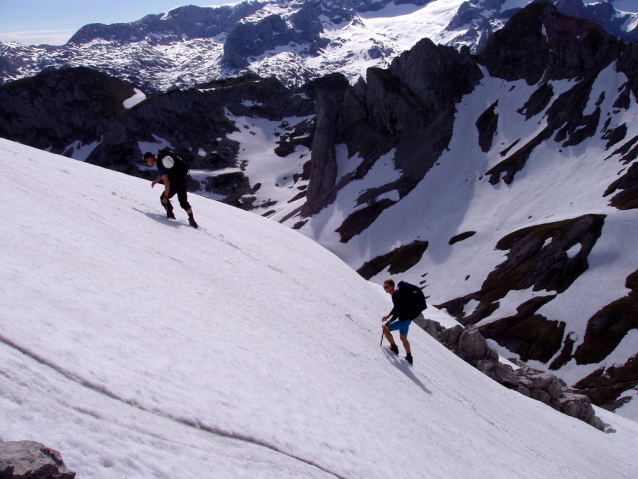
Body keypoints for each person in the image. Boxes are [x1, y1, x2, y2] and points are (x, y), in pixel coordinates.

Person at [144, 151, 198, 228]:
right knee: (184, 202)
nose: (147, 162)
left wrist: (166, 196)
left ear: (150, 158)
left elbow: (166, 181)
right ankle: (192, 220)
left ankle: (171, 216)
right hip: (183, 180)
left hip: (176, 182)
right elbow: (163, 174)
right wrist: (156, 181)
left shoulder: (160, 164)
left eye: (147, 160)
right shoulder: (162, 161)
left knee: (163, 199)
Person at [382, 279, 413, 364]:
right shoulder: (397, 295)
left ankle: (394, 348)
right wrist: (388, 315)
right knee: (403, 338)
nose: (385, 289)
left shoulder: (396, 296)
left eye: (386, 287)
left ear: (392, 287)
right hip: (407, 320)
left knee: (386, 330)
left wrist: (390, 321)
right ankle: (409, 357)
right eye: (384, 287)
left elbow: (398, 311)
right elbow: (396, 307)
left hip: (403, 321)